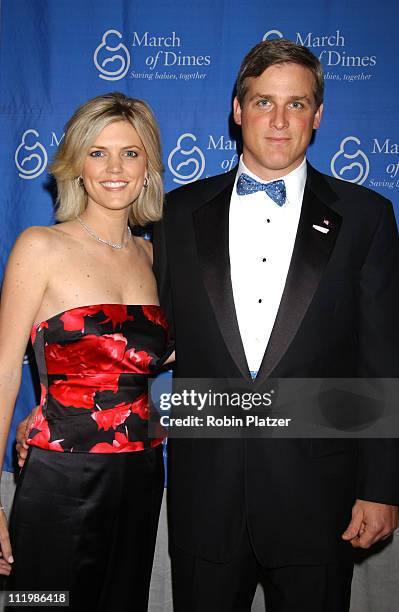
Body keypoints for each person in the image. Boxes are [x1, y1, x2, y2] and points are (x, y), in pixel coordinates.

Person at [152, 39, 399, 611]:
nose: (280, 120)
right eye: (264, 103)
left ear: (318, 114)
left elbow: (384, 359)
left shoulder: (366, 217)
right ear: (237, 110)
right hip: (206, 495)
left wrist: (381, 486)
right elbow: (145, 339)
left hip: (320, 498)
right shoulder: (174, 215)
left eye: (297, 104)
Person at [0, 92, 172, 611]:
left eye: (130, 152)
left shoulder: (153, 254)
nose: (114, 168)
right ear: (76, 167)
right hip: (60, 476)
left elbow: (149, 354)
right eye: (97, 153)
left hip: (143, 472)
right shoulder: (40, 246)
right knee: (42, 604)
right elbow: (6, 368)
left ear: (149, 167)